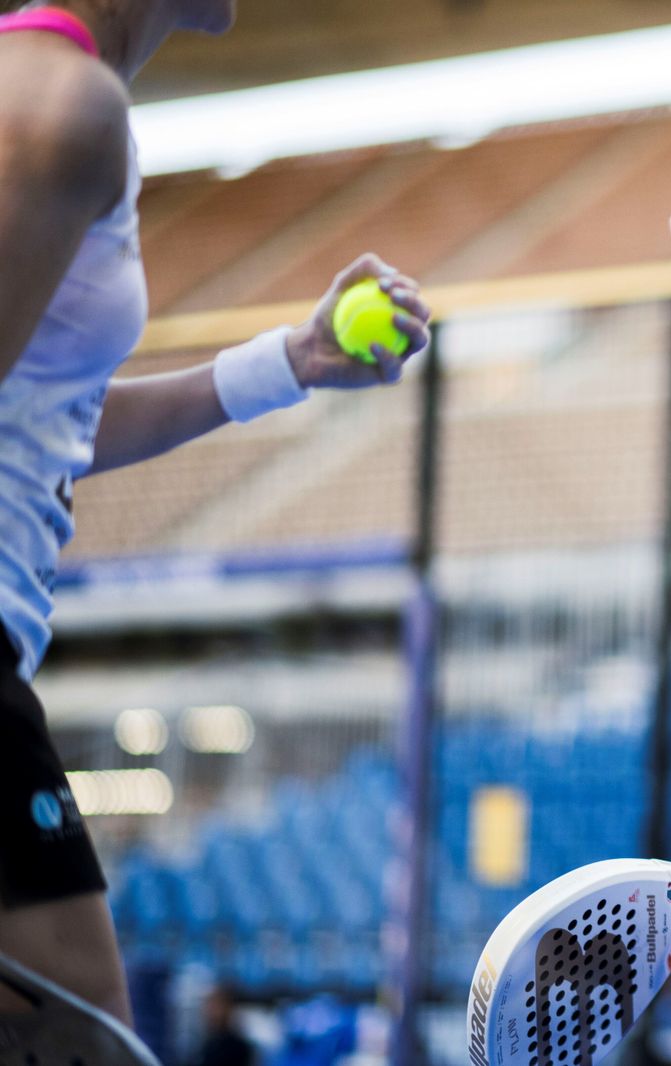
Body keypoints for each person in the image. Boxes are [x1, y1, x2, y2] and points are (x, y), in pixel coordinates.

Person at [0, 0, 431, 1028]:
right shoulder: (62, 102)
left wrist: (288, 364)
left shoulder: (61, 95)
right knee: (81, 1025)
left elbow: (46, 417)